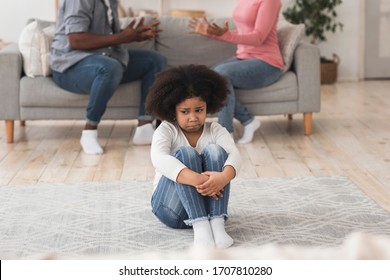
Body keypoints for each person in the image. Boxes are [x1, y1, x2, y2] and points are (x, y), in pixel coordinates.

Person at [50, 0, 166, 154]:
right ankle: (89, 131)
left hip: (102, 57)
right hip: (70, 66)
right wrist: (122, 37)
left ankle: (144, 128)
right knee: (110, 67)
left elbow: (104, 34)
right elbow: (76, 40)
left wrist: (133, 35)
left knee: (154, 60)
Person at [146, 64, 241, 249]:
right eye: (185, 111)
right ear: (172, 110)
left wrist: (222, 177)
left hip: (209, 209)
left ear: (208, 106)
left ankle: (217, 224)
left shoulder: (215, 130)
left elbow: (235, 155)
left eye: (199, 110)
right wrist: (200, 180)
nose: (193, 117)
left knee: (216, 151)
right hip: (172, 210)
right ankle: (201, 228)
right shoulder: (166, 130)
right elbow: (159, 159)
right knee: (185, 154)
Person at [188, 0, 284, 144]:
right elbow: (242, 33)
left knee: (221, 75)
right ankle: (248, 120)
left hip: (267, 63)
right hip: (243, 57)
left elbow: (258, 37)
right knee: (208, 77)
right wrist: (211, 33)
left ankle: (224, 135)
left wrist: (225, 35)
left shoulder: (270, 1)